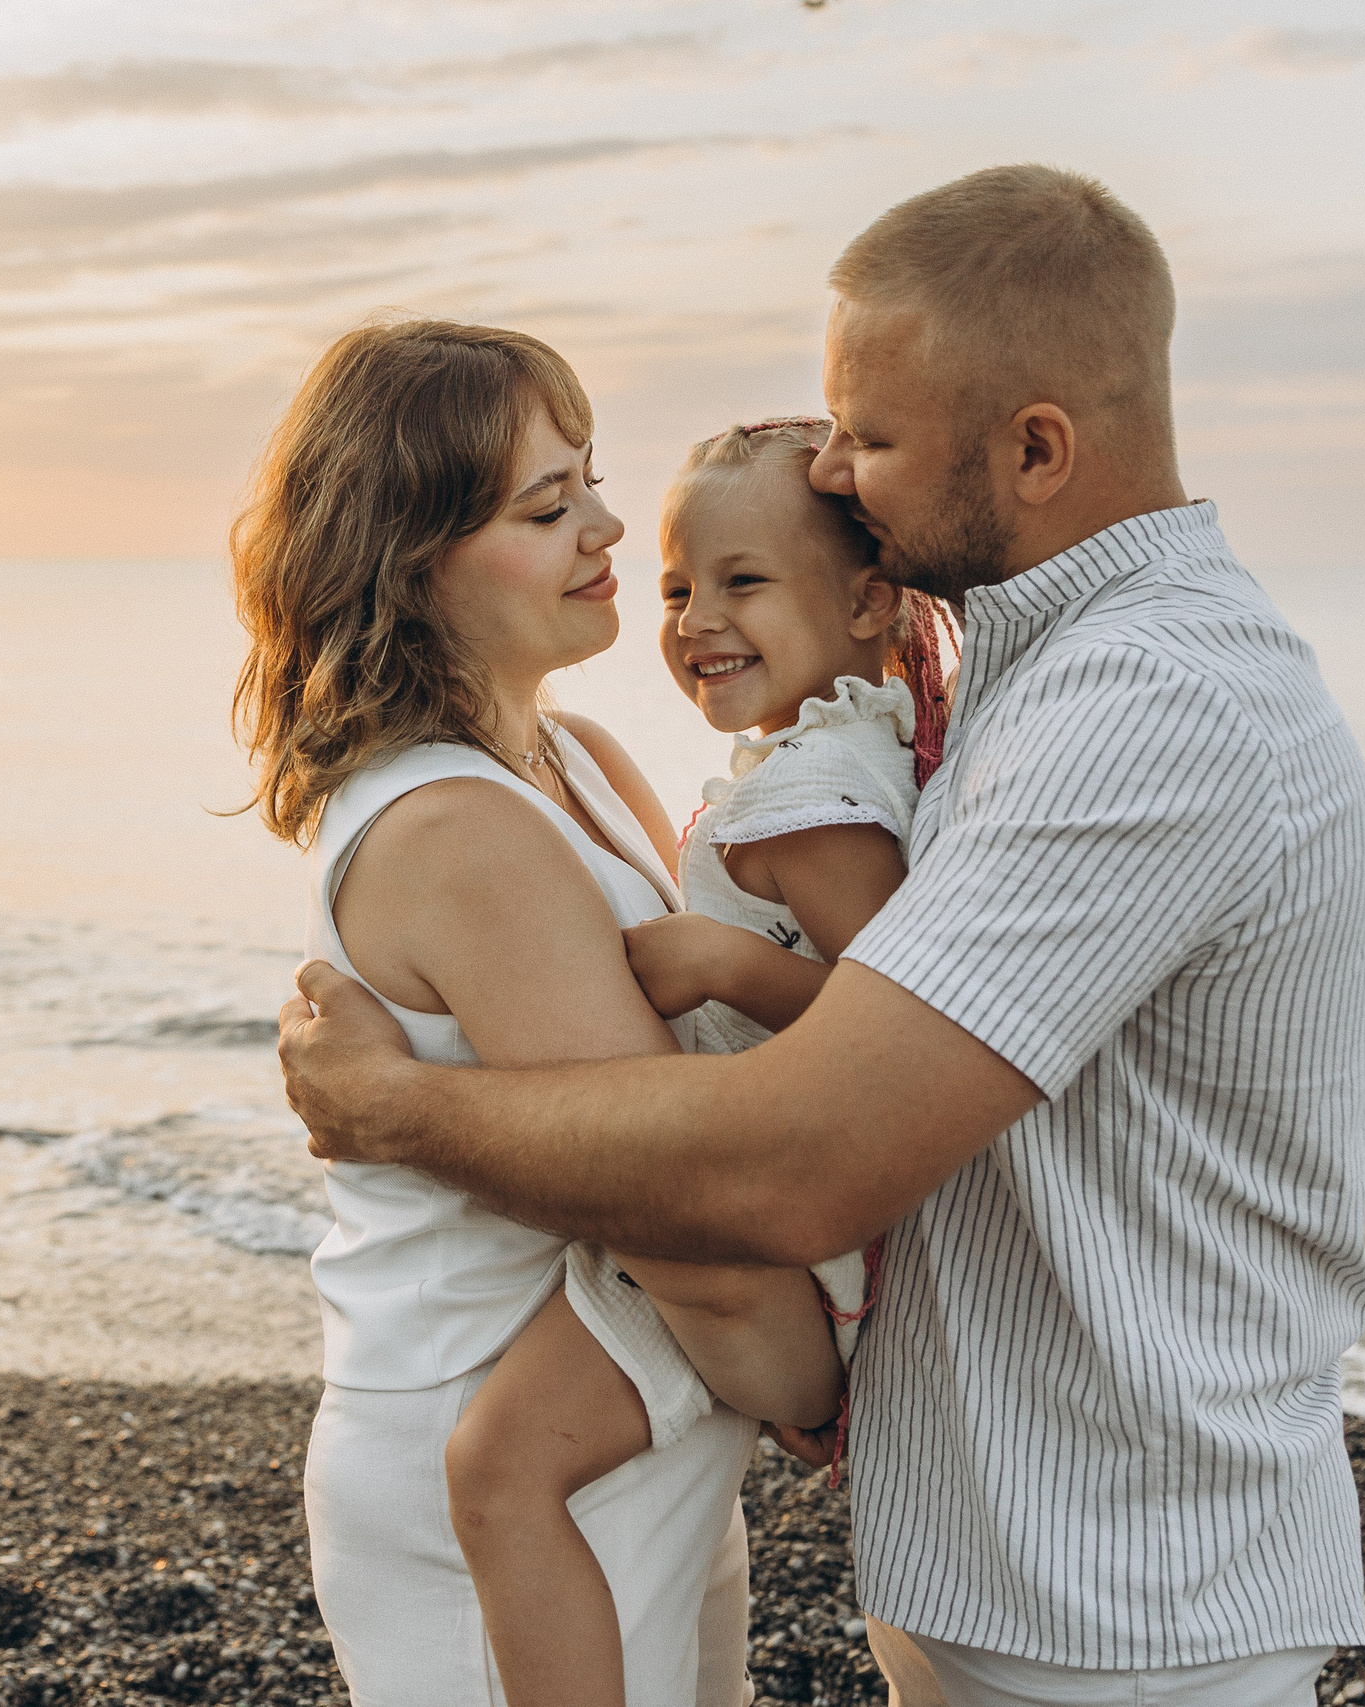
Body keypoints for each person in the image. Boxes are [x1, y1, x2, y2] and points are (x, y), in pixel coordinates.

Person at [278, 164, 1365, 1707]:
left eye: (867, 434)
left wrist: (392, 1109)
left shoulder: (1146, 709)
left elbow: (793, 1158)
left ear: (1037, 449)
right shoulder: (1007, 675)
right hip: (1009, 1556)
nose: (837, 475)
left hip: (1121, 1593)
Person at [232, 317, 842, 1706]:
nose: (611, 526)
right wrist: (822, 1390)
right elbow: (675, 1200)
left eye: (593, 481)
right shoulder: (458, 829)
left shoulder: (576, 752)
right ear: (412, 564)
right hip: (504, 1454)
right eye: (547, 506)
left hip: (646, 1412)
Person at [448, 415, 962, 1704]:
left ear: (865, 601)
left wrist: (728, 967)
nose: (693, 619)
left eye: (743, 582)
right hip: (763, 1201)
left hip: (760, 1222)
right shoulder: (823, 757)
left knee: (500, 1472)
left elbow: (898, 1023)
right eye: (680, 587)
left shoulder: (816, 801)